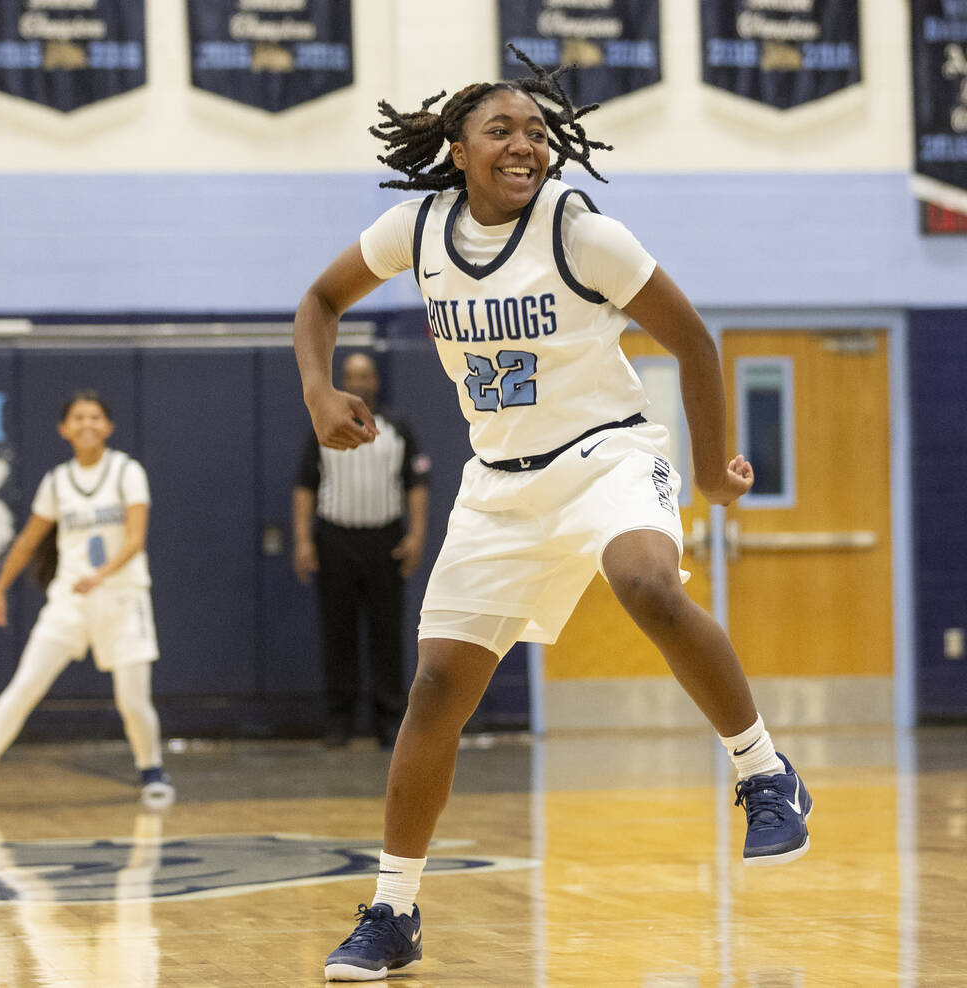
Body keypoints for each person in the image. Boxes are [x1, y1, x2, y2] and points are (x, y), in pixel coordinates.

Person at [293, 47, 813, 982]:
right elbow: (319, 301)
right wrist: (318, 393)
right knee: (438, 691)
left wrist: (712, 473)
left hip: (606, 452)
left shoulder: (582, 233)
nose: (526, 143)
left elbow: (693, 342)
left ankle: (765, 772)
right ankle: (394, 911)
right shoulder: (414, 231)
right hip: (498, 483)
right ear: (458, 148)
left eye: (537, 130)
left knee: (647, 586)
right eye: (502, 129)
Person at [0, 390, 173, 809]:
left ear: (109, 427)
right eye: (78, 418)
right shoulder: (57, 481)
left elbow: (136, 539)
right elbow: (29, 539)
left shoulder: (126, 471)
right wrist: (0, 586)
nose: (87, 424)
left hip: (122, 596)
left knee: (132, 700)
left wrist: (101, 575)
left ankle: (151, 771)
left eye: (95, 417)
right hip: (69, 599)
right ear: (64, 429)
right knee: (25, 685)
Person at [293, 351, 430, 749]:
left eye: (365, 376)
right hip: (335, 540)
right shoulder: (325, 426)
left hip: (384, 541)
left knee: (388, 633)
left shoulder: (398, 427)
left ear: (375, 381)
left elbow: (416, 485)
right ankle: (339, 721)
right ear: (343, 381)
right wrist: (303, 540)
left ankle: (389, 722)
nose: (359, 382)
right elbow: (305, 485)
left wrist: (417, 536)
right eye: (351, 376)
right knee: (338, 633)